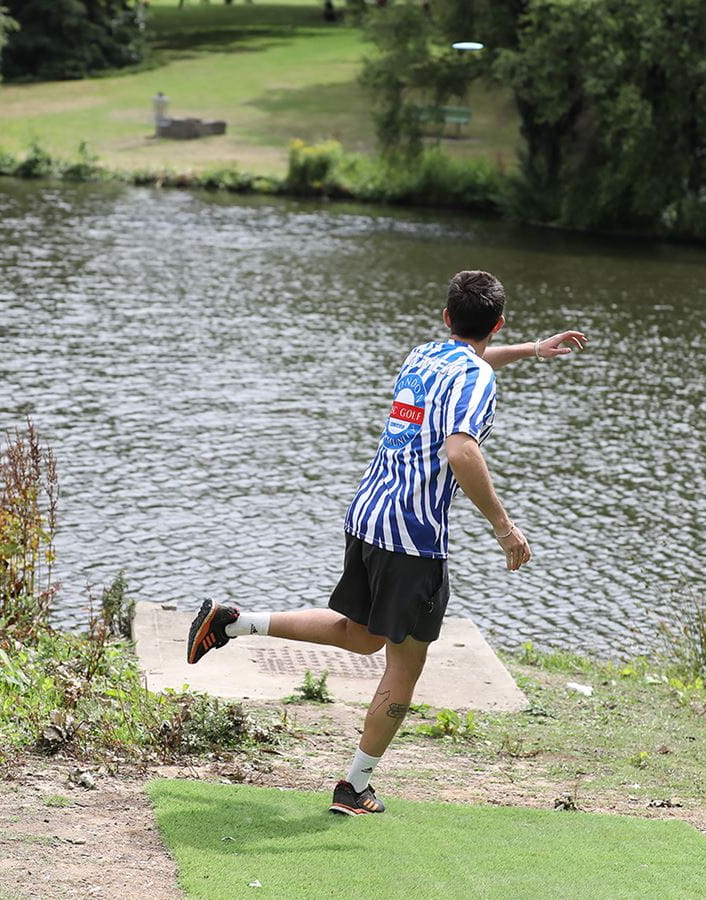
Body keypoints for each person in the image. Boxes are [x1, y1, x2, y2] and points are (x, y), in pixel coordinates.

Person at [186, 270, 587, 815]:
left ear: (447, 319)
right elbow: (463, 450)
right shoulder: (475, 376)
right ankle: (354, 788)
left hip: (368, 514)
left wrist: (533, 350)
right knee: (405, 664)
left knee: (363, 636)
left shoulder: (424, 355)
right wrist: (505, 528)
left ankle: (233, 622)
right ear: (496, 323)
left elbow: (470, 362)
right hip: (413, 539)